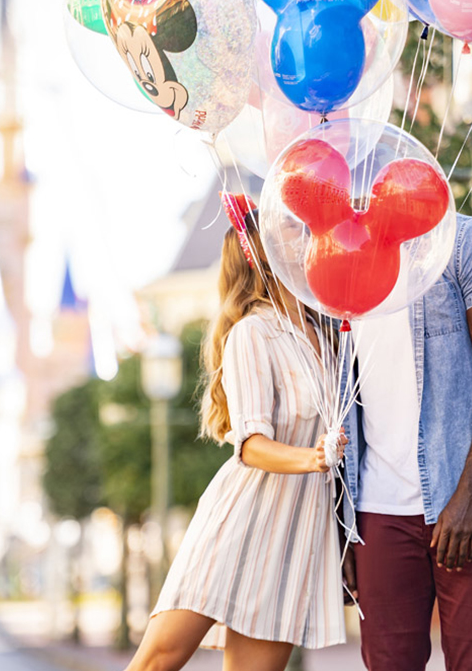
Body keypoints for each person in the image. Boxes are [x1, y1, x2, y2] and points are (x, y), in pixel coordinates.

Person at [124, 199, 348, 671]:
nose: (304, 232)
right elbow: (250, 445)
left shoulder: (325, 335)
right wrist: (316, 458)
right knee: (158, 660)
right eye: (288, 228)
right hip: (244, 516)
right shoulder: (252, 333)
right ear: (261, 254)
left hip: (299, 527)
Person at [342, 214, 472, 670]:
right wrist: (342, 525)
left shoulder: (467, 243)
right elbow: (341, 399)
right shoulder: (341, 262)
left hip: (468, 503)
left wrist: (469, 496)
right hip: (378, 510)